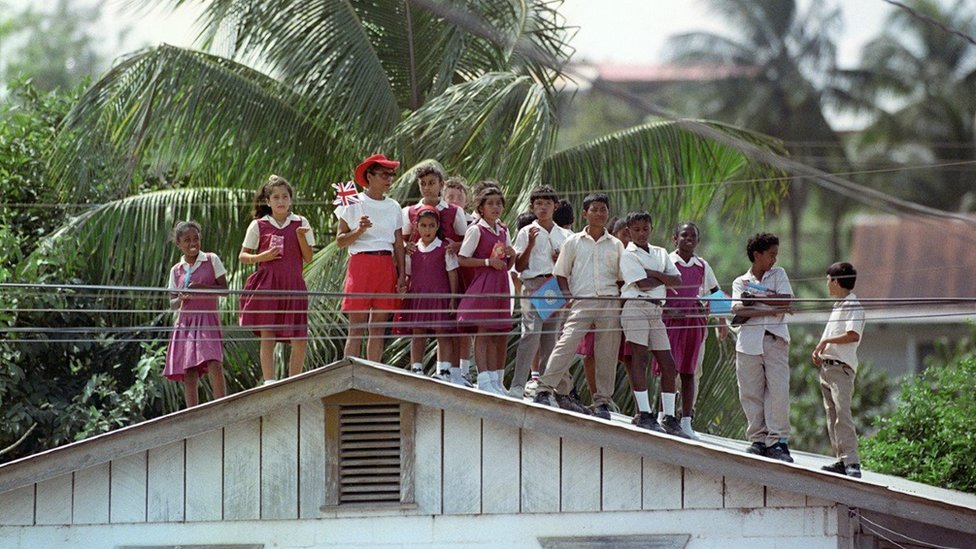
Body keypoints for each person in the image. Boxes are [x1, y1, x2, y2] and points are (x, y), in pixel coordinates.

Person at [533, 193, 624, 419]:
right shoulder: (572, 242)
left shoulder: (616, 244)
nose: (599, 213)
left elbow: (622, 278)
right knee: (566, 343)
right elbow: (561, 273)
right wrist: (568, 296)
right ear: (585, 213)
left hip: (609, 301)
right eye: (594, 209)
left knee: (607, 351)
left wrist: (619, 302)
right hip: (581, 300)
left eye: (603, 209)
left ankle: (602, 401)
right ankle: (544, 389)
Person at [239, 175, 315, 383]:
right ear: (268, 201)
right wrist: (261, 257)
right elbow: (243, 256)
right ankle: (269, 380)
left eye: (284, 197)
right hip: (267, 285)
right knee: (268, 333)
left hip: (293, 284)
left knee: (299, 337)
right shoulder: (259, 225)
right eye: (275, 197)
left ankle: (294, 380)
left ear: (291, 199)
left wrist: (300, 236)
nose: (280, 201)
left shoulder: (301, 222)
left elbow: (308, 258)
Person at [619, 211, 687, 437]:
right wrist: (660, 278)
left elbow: (677, 279)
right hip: (637, 306)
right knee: (640, 357)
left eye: (645, 229)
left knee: (668, 364)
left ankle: (668, 415)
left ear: (651, 228)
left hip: (657, 309)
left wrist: (655, 273)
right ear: (628, 232)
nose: (641, 234)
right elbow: (642, 284)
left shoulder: (659, 252)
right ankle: (645, 412)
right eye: (636, 230)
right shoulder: (628, 254)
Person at [336, 154, 407, 362]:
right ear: (370, 175)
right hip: (361, 263)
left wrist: (402, 274)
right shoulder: (352, 200)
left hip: (386, 264)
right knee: (356, 327)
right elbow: (340, 240)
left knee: (378, 328)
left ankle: (373, 373)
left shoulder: (394, 206)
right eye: (384, 174)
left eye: (391, 175)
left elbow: (398, 243)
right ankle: (349, 375)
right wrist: (359, 230)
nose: (389, 179)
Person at [659, 221, 727, 440]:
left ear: (698, 240)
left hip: (694, 323)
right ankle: (664, 414)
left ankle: (686, 421)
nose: (688, 240)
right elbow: (657, 292)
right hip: (671, 322)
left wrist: (721, 320)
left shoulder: (702, 266)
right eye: (684, 235)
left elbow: (714, 291)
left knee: (689, 372)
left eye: (693, 237)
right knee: (668, 370)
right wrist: (667, 310)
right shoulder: (667, 262)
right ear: (674, 239)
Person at [731, 232, 794, 462]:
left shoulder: (779, 274)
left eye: (775, 255)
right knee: (750, 392)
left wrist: (758, 296)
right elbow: (739, 310)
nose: (774, 260)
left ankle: (778, 441)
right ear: (757, 255)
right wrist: (770, 305)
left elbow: (786, 301)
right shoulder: (741, 281)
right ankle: (758, 439)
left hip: (774, 340)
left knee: (778, 391)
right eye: (770, 255)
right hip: (748, 343)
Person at [510, 186, 572, 398]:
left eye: (547, 203)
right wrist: (530, 245)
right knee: (531, 334)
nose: (543, 207)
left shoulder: (565, 235)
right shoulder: (526, 232)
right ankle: (518, 384)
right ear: (532, 207)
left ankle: (545, 388)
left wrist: (559, 261)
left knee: (550, 338)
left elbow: (571, 266)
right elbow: (518, 266)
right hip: (532, 284)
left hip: (554, 285)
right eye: (538, 204)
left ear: (555, 206)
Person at [457, 185, 515, 394]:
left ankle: (493, 379)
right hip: (484, 284)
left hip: (500, 285)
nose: (495, 207)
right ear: (480, 208)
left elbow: (508, 262)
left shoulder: (504, 230)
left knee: (493, 332)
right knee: (483, 332)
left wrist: (512, 254)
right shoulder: (476, 229)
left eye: (499, 203)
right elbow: (463, 259)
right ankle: (483, 379)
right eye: (490, 203)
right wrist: (487, 262)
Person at [166, 221, 227, 407]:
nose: (192, 243)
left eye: (196, 238)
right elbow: (173, 303)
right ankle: (192, 412)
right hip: (185, 322)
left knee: (213, 362)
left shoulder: (211, 259)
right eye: (187, 240)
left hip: (207, 319)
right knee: (189, 371)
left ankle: (222, 406)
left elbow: (224, 290)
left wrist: (203, 288)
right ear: (178, 244)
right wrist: (181, 298)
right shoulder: (176, 270)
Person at [813, 262, 865, 478]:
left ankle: (852, 461)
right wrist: (820, 351)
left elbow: (853, 335)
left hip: (841, 369)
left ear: (836, 281)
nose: (827, 284)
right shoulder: (838, 306)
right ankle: (840, 459)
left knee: (843, 414)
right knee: (831, 415)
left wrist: (825, 341)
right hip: (828, 368)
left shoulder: (854, 306)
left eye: (828, 280)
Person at [401, 206, 460, 380]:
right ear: (416, 226)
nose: (427, 230)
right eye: (423, 225)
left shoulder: (445, 249)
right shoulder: (412, 251)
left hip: (440, 296)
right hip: (418, 297)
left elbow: (452, 273)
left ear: (437, 226)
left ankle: (444, 370)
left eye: (431, 226)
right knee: (418, 332)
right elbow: (408, 274)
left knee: (442, 332)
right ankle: (416, 368)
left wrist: (452, 298)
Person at [575, 218, 631, 400]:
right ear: (614, 235)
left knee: (620, 356)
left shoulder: (635, 256)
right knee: (590, 353)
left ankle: (607, 398)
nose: (628, 240)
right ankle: (595, 396)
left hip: (624, 312)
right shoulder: (606, 252)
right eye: (624, 234)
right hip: (597, 305)